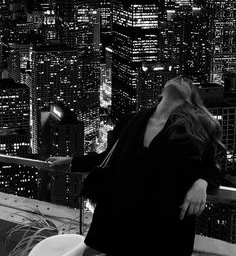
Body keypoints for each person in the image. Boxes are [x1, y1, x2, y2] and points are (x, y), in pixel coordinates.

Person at [48, 77, 224, 256]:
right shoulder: (129, 121)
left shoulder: (196, 129)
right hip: (123, 219)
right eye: (175, 79)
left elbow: (213, 167)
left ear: (190, 100)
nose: (179, 79)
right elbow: (107, 158)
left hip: (165, 225)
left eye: (186, 82)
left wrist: (201, 183)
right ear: (161, 93)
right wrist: (72, 161)